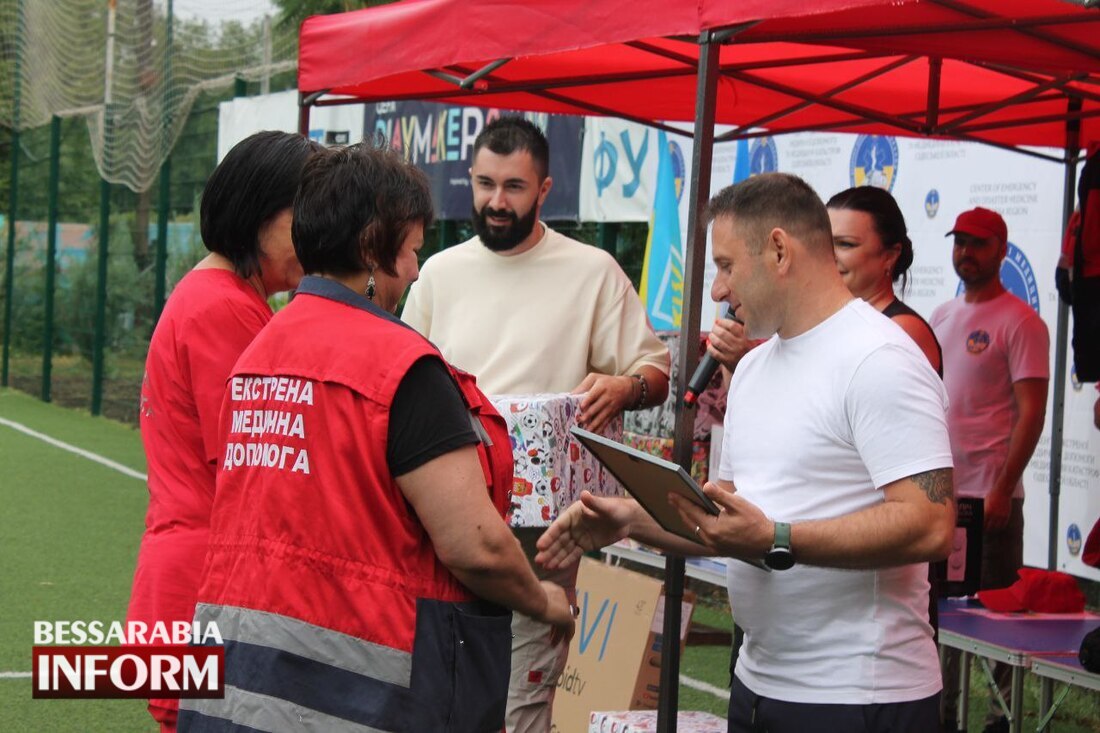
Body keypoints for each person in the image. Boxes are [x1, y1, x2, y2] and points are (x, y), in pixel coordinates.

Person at [537, 173, 956, 733]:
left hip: (859, 696)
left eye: (726, 265)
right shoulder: (754, 367)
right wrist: (631, 519)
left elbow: (930, 526)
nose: (716, 290)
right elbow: (726, 522)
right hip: (757, 685)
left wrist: (778, 539)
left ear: (780, 250)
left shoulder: (879, 358)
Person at [177, 144, 574, 733]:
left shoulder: (261, 349)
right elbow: (476, 547)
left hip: (242, 684)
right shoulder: (403, 369)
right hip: (368, 695)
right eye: (412, 250)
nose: (416, 270)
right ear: (371, 247)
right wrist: (544, 603)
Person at [401, 116, 670, 731]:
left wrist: (624, 386)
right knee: (444, 691)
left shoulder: (592, 270)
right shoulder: (437, 274)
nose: (497, 202)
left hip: (543, 533)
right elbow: (404, 382)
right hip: (448, 515)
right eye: (485, 184)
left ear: (545, 190)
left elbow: (654, 371)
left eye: (514, 187)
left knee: (521, 705)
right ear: (468, 180)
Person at [126, 130, 321, 733]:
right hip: (206, 588)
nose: (318, 236)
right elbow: (255, 468)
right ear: (259, 212)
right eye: (306, 217)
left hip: (196, 583)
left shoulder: (220, 296)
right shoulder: (223, 307)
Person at [931, 206, 1049, 733]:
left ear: (1002, 250)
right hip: (940, 500)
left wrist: (1003, 488)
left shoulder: (1021, 321)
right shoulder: (940, 317)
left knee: (999, 624)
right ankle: (943, 716)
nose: (966, 253)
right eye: (960, 242)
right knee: (941, 617)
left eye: (977, 244)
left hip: (991, 501)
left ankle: (1002, 721)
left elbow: (1032, 413)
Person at [826, 186, 942, 374]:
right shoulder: (832, 322)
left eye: (845, 244)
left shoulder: (902, 329)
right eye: (824, 242)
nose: (830, 255)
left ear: (890, 256)